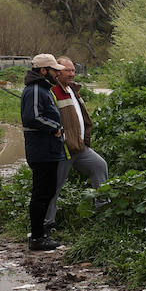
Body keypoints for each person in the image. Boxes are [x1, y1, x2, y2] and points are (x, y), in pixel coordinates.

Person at [43, 56, 108, 234]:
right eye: (67, 70)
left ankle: (102, 212)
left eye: (73, 70)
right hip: (62, 149)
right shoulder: (52, 91)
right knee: (53, 186)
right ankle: (47, 224)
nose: (72, 73)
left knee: (99, 165)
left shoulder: (72, 89)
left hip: (79, 147)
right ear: (57, 71)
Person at [20, 53, 65, 251]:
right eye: (55, 70)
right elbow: (33, 117)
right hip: (42, 150)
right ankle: (37, 237)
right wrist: (55, 127)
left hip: (48, 149)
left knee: (47, 191)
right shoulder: (36, 89)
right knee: (41, 193)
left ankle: (41, 232)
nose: (58, 74)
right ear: (44, 71)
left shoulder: (43, 89)